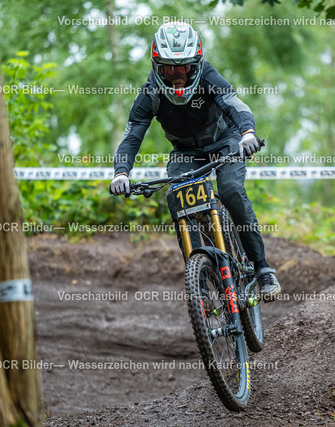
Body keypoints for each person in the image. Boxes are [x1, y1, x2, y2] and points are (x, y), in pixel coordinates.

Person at [110, 22, 280, 300]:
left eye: (184, 69)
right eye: (169, 70)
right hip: (186, 151)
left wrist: (248, 133)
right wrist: (121, 173)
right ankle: (199, 278)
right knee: (177, 196)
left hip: (226, 141)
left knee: (230, 190)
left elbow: (235, 105)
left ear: (197, 64)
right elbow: (131, 138)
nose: (177, 77)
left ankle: (262, 269)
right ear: (157, 67)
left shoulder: (208, 77)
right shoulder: (150, 93)